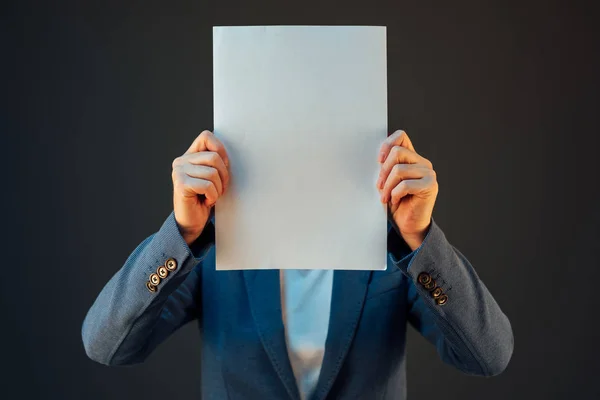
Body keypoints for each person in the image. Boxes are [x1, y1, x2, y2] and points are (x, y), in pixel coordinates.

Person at [82, 129, 513, 400]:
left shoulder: (391, 247)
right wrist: (179, 233)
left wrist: (420, 239)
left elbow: (489, 354)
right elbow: (105, 344)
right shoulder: (214, 245)